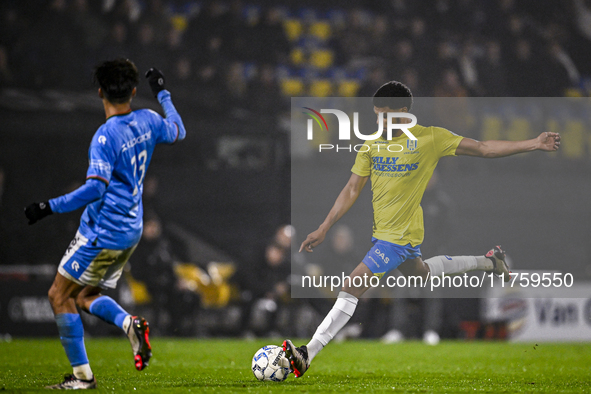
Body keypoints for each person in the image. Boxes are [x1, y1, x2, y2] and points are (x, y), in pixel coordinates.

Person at [282, 81, 560, 377]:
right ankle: (489, 262)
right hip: (392, 236)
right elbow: (352, 189)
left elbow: (484, 148)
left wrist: (533, 143)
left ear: (403, 113)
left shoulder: (430, 138)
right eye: (376, 115)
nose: (379, 121)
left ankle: (307, 353)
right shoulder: (372, 145)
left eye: (384, 115)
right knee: (423, 273)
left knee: (352, 285)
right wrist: (325, 226)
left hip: (397, 239)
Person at [24, 58, 186, 389]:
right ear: (134, 90)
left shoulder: (105, 137)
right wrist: (164, 94)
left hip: (102, 231)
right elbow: (178, 131)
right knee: (84, 295)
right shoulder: (148, 119)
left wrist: (48, 207)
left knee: (58, 294)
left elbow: (96, 187)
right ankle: (129, 325)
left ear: (100, 92)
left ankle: (83, 378)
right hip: (131, 230)